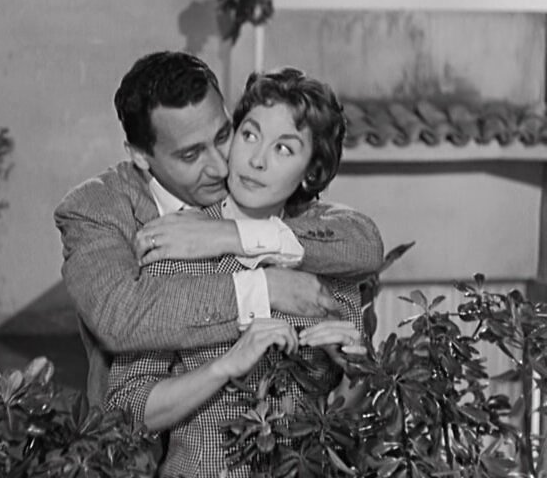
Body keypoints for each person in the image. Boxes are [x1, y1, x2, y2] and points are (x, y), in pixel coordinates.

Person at [54, 51, 383, 407]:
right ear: (139, 156)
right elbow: (120, 317)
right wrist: (266, 288)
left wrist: (230, 235)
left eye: (224, 135)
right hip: (136, 434)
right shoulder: (93, 208)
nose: (220, 167)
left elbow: (358, 241)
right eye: (191, 155)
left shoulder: (250, 179)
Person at [104, 67, 367, 477]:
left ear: (311, 172)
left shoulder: (328, 264)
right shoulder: (180, 243)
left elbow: (344, 421)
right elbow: (127, 408)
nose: (257, 160)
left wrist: (354, 376)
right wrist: (224, 366)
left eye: (284, 149)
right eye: (249, 135)